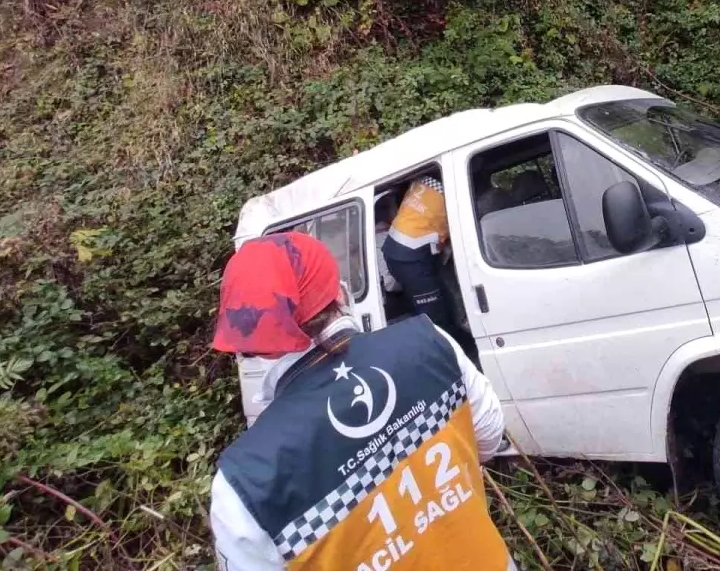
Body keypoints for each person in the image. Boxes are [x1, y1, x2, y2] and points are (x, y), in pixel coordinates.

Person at [209, 231, 513, 571]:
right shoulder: (430, 342)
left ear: (254, 347)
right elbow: (488, 436)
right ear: (340, 293)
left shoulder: (244, 481)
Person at [380, 176, 455, 331]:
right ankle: (440, 346)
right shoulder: (450, 195)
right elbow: (441, 244)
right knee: (433, 315)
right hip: (408, 258)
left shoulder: (424, 181)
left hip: (395, 250)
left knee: (431, 298)